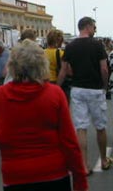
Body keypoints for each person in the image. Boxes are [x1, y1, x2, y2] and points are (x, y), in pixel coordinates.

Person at [0, 40, 88, 191]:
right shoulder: (55, 94)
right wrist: (80, 179)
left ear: (12, 66)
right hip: (54, 172)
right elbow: (69, 141)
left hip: (15, 174)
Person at [57, 17, 111, 173]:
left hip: (78, 89)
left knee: (81, 128)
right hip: (95, 89)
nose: (95, 30)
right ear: (87, 27)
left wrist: (56, 87)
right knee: (100, 127)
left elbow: (64, 70)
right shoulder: (97, 45)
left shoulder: (70, 46)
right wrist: (105, 86)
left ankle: (84, 165)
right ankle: (104, 160)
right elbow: (104, 69)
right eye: (94, 27)